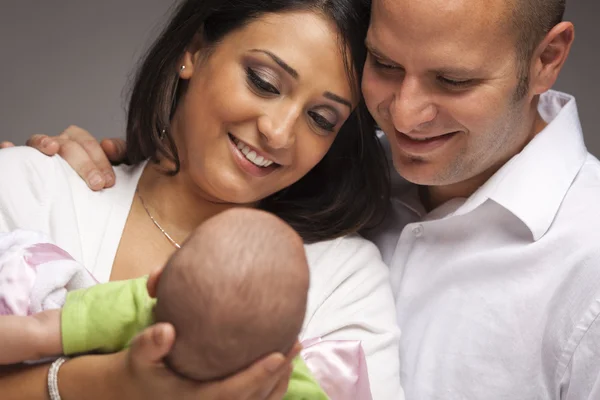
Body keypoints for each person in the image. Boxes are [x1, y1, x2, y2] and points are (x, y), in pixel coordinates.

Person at [25, 0, 600, 398]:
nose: (402, 115)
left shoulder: (586, 266)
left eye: (452, 81)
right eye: (385, 66)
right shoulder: (362, 173)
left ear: (546, 59)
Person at [0, 0, 402, 399]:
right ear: (192, 51)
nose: (279, 133)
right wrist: (107, 383)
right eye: (263, 82)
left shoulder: (344, 278)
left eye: (321, 118)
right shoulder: (32, 188)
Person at [0, 209, 336, 399]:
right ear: (291, 347)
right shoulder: (283, 381)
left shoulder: (134, 306)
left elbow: (36, 332)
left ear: (155, 281)